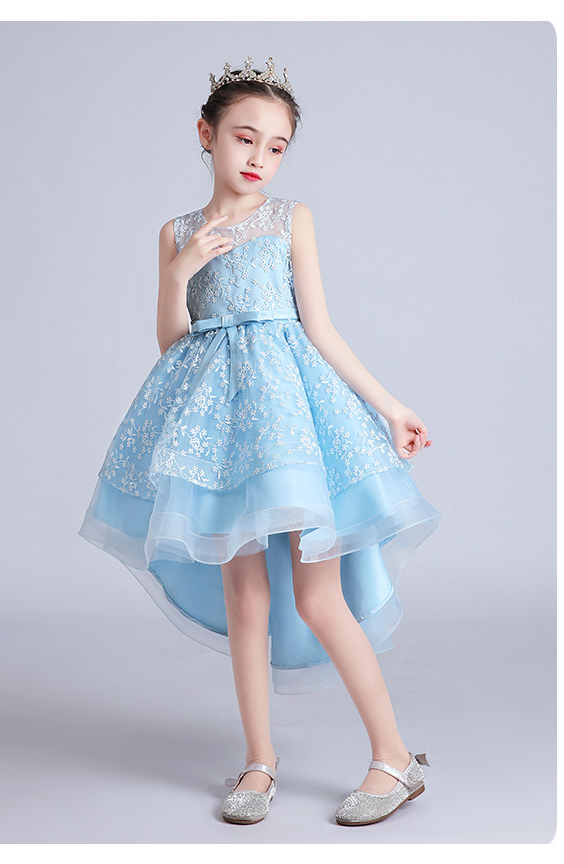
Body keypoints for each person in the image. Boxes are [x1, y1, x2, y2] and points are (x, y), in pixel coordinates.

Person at [78, 56, 441, 827]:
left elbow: (321, 328)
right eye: (245, 138)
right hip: (221, 434)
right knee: (246, 598)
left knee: (317, 596)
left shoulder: (288, 219)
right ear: (206, 134)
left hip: (294, 425)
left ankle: (394, 757)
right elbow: (171, 342)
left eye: (276, 146)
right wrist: (181, 269)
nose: (259, 157)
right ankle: (259, 762)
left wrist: (390, 407)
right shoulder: (176, 233)